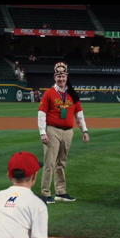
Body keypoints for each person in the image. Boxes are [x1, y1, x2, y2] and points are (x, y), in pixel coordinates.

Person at [37, 62, 89, 204]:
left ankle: (60, 191)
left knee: (61, 162)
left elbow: (79, 114)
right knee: (50, 162)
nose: (61, 79)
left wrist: (84, 130)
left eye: (63, 76)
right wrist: (43, 132)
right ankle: (45, 193)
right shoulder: (49, 94)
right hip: (52, 130)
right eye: (58, 76)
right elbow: (41, 114)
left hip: (68, 132)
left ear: (67, 77)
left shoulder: (72, 93)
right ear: (54, 77)